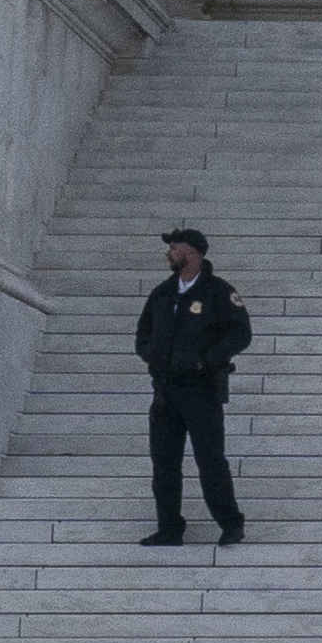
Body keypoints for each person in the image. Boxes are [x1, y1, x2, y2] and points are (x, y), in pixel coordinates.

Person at [135, 228, 251, 548]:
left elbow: (240, 334)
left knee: (211, 461)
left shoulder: (219, 292)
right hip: (165, 393)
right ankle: (169, 529)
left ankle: (230, 524)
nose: (168, 253)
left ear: (193, 251)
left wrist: (206, 360)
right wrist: (152, 355)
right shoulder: (162, 294)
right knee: (165, 465)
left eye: (174, 247)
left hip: (201, 390)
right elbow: (143, 334)